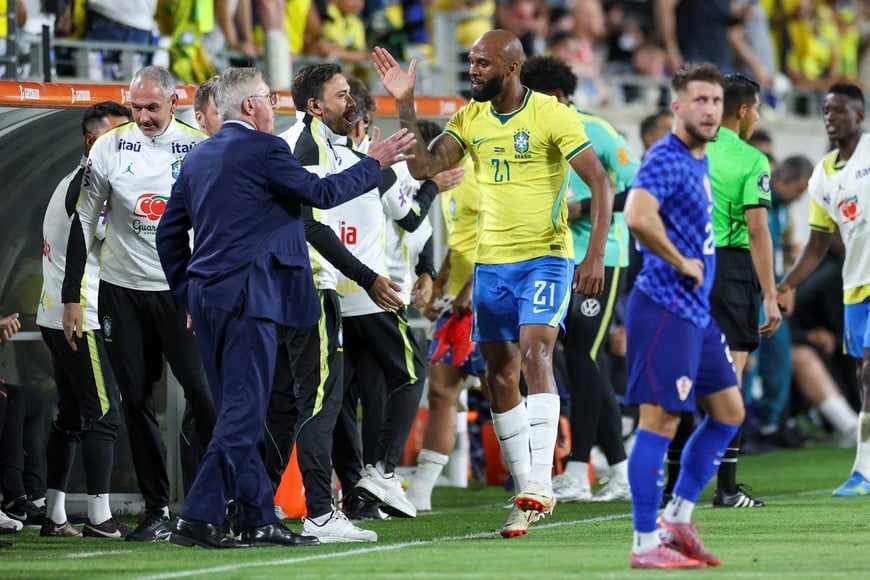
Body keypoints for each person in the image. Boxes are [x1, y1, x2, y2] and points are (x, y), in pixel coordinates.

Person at [156, 66, 416, 549]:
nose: (274, 109)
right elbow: (321, 194)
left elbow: (170, 235)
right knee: (243, 414)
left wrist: (186, 293)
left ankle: (258, 518)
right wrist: (374, 161)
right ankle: (198, 514)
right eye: (268, 101)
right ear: (250, 107)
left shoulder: (197, 157)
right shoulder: (265, 149)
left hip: (210, 303)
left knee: (244, 411)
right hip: (251, 300)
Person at [373, 29, 615, 537]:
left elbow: (600, 181)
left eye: (482, 63)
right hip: (492, 265)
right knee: (499, 375)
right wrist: (406, 102)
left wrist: (593, 256)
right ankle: (527, 492)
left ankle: (544, 483)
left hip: (547, 257)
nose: (473, 70)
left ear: (511, 68)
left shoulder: (551, 114)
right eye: (470, 62)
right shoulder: (471, 117)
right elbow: (422, 167)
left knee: (536, 354)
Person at [62, 66, 216, 543]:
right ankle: (156, 511)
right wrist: (72, 295)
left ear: (176, 101)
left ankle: (209, 502)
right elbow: (84, 220)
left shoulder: (200, 147)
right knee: (136, 401)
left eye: (153, 107)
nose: (144, 116)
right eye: (136, 107)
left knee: (205, 396)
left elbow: (218, 222)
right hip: (121, 292)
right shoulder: (109, 146)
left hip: (181, 291)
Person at [270, 62, 405, 543]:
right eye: (342, 95)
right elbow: (307, 223)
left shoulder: (319, 141)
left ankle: (259, 506)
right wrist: (366, 276)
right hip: (308, 284)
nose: (352, 103)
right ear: (314, 105)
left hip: (293, 286)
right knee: (320, 402)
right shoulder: (305, 146)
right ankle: (322, 513)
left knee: (286, 404)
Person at [623, 62, 744, 569]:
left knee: (730, 412)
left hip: (696, 314)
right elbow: (636, 215)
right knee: (661, 419)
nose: (710, 110)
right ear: (677, 106)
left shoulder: (699, 158)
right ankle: (645, 543)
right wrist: (679, 261)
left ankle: (678, 517)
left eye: (716, 101)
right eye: (700, 101)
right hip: (665, 307)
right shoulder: (666, 158)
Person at [520, 54, 638, 504]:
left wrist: (581, 209)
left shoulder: (598, 130)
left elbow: (636, 191)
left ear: (553, 96)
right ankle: (621, 470)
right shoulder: (530, 134)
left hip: (601, 256)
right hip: (552, 258)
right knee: (586, 361)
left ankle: (578, 470)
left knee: (586, 355)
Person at [664, 72, 779, 510]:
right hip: (730, 269)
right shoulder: (751, 159)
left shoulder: (688, 149)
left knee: (681, 376)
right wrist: (769, 293)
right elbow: (756, 228)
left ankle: (671, 487)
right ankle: (726, 488)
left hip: (684, 264)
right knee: (731, 379)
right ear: (746, 110)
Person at [37, 102, 131, 539]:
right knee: (104, 413)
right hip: (82, 317)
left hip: (54, 315)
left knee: (72, 415)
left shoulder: (67, 181)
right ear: (92, 142)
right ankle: (100, 516)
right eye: (117, 136)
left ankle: (54, 514)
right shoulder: (91, 186)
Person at [777, 83, 870, 497]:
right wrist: (785, 284)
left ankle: (864, 468)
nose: (831, 117)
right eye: (826, 111)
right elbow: (817, 243)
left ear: (860, 116)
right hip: (854, 287)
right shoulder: (821, 175)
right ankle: (864, 471)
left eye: (840, 110)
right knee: (864, 376)